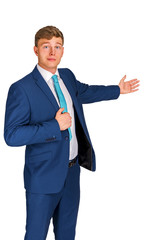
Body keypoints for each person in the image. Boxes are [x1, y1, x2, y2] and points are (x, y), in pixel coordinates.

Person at [4, 26, 140, 240]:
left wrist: (117, 90)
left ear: (63, 51)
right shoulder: (21, 88)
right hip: (43, 178)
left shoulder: (66, 76)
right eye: (46, 46)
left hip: (71, 172)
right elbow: (11, 135)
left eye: (57, 47)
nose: (52, 52)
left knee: (67, 234)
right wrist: (54, 126)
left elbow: (85, 91)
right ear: (35, 50)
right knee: (36, 235)